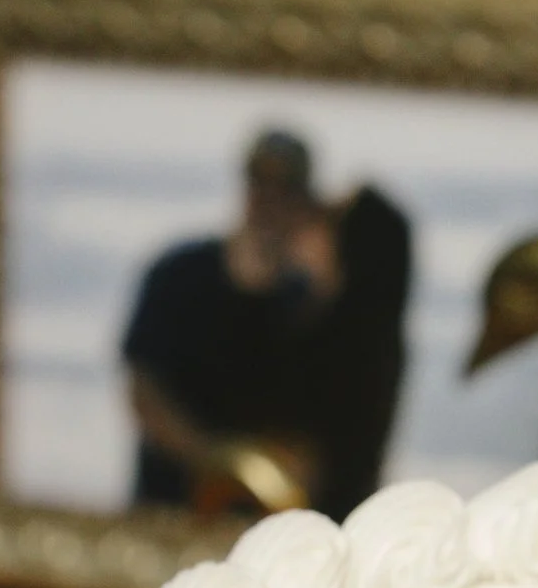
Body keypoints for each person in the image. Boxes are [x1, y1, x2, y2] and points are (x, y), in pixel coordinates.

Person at [122, 128, 411, 521]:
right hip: (170, 513)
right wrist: (217, 459)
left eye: (286, 192)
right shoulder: (180, 274)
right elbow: (144, 388)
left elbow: (320, 450)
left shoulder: (319, 314)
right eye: (261, 184)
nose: (270, 203)